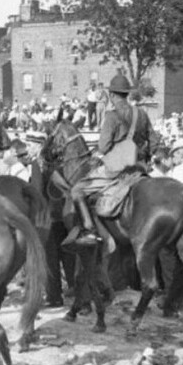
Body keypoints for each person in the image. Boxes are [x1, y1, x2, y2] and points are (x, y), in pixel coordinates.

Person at [67, 74, 158, 246]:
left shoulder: (111, 116)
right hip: (139, 167)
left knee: (77, 190)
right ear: (127, 94)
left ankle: (90, 231)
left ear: (113, 95)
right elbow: (154, 141)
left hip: (116, 169)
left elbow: (103, 147)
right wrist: (145, 158)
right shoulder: (142, 114)